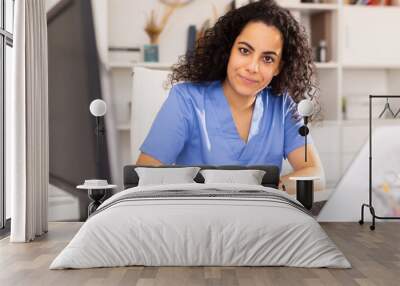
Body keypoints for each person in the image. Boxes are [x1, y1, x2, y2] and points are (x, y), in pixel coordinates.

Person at [136, 0, 324, 193]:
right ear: (229, 51)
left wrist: (268, 188)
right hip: (197, 218)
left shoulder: (283, 106)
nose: (252, 67)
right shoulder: (186, 99)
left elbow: (315, 175)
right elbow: (145, 176)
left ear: (278, 68)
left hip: (260, 218)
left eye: (267, 59)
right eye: (244, 51)